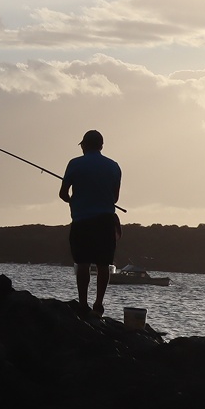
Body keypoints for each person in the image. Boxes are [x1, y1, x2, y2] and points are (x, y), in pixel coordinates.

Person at [59, 130, 122, 318]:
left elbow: (63, 193)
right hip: (105, 221)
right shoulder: (114, 167)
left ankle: (83, 304)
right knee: (104, 265)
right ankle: (98, 305)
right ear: (101, 146)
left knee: (83, 263)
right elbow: (115, 197)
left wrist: (73, 201)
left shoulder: (74, 164)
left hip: (82, 220)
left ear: (84, 145)